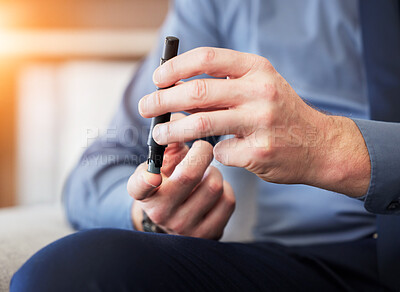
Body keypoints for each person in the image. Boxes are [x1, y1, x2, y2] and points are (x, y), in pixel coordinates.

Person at [10, 0, 400, 291]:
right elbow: (101, 166)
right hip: (300, 263)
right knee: (69, 273)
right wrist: (151, 213)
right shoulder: (221, 5)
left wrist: (333, 148)